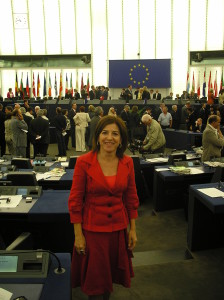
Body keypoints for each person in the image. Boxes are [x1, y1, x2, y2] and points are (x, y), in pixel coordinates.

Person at [68, 115, 139, 299]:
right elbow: (75, 201)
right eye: (105, 133)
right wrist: (78, 235)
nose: (109, 137)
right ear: (97, 137)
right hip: (93, 232)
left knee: (108, 284)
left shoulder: (128, 162)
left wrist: (133, 229)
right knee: (96, 285)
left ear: (121, 139)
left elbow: (131, 198)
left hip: (118, 231)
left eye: (115, 133)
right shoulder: (83, 162)